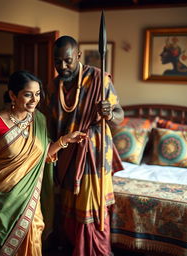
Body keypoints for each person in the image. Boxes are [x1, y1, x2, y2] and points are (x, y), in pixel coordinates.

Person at [0, 70, 87, 256]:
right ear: (13, 95)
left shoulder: (39, 120)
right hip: (1, 201)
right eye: (28, 94)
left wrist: (65, 140)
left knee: (34, 237)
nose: (34, 100)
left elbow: (43, 156)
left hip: (29, 200)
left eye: (37, 94)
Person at [45, 36, 124, 256]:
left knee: (91, 206)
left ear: (78, 56)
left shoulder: (99, 79)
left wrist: (109, 112)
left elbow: (120, 115)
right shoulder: (53, 86)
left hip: (95, 154)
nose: (62, 66)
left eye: (68, 61)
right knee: (68, 204)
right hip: (66, 153)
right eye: (57, 61)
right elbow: (51, 124)